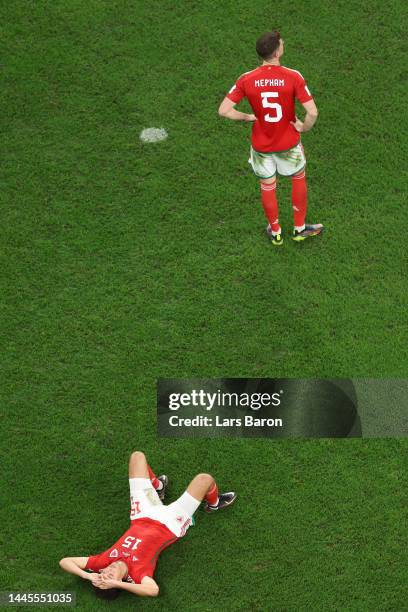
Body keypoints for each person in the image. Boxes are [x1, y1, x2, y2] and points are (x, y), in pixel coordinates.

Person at [59, 450, 236, 599]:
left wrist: (87, 575)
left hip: (142, 514)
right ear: (119, 582)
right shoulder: (137, 575)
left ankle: (158, 487)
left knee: (137, 457)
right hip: (170, 523)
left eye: (103, 576)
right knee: (205, 479)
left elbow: (64, 561)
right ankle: (214, 504)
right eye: (109, 578)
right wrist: (115, 583)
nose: (106, 573)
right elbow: (153, 590)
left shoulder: (101, 562)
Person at [218, 30, 323, 245]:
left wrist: (248, 116)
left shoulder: (246, 79)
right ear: (277, 52)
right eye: (281, 42)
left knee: (267, 186)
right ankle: (299, 229)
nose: (283, 43)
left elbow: (224, 110)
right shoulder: (293, 76)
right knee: (298, 178)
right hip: (288, 143)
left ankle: (275, 233)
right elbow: (312, 112)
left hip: (261, 146)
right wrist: (304, 128)